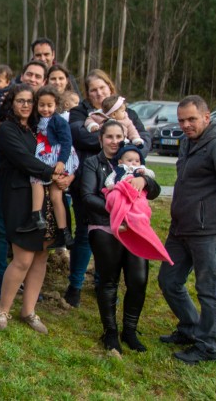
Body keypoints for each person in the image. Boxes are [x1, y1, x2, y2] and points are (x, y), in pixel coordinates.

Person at [158, 95, 216, 365]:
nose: (186, 125)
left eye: (192, 119)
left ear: (207, 117)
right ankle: (190, 327)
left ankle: (209, 346)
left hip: (210, 229)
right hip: (182, 227)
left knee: (209, 289)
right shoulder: (188, 142)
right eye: (182, 120)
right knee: (169, 280)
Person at [0, 84, 74, 334]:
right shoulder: (7, 129)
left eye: (30, 100)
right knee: (23, 258)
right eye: (20, 100)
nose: (26, 105)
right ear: (12, 103)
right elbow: (23, 159)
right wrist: (53, 172)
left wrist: (66, 174)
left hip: (47, 196)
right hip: (20, 197)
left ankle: (28, 310)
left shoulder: (42, 126)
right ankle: (2, 309)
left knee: (41, 256)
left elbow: (63, 146)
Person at [64, 69, 149, 308]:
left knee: (114, 234)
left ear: (110, 88)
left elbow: (144, 139)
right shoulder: (81, 112)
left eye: (102, 88)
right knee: (85, 234)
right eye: (93, 90)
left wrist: (132, 148)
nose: (98, 92)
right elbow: (80, 136)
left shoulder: (128, 112)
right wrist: (118, 140)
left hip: (122, 189)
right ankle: (75, 284)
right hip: (89, 182)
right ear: (87, 94)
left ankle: (103, 282)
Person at [80, 121, 161, 354]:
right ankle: (110, 332)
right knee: (108, 281)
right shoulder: (93, 163)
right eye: (109, 137)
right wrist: (118, 211)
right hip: (105, 227)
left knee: (138, 279)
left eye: (118, 136)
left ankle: (130, 331)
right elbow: (87, 196)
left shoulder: (132, 160)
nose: (114, 141)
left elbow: (153, 191)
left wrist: (144, 180)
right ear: (101, 139)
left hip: (134, 230)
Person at [17, 86, 78, 248]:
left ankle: (63, 231)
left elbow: (66, 142)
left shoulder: (59, 121)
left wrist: (62, 162)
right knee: (45, 188)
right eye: (42, 105)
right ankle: (40, 218)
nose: (45, 109)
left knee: (52, 193)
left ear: (56, 104)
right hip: (45, 154)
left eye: (49, 105)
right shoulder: (36, 120)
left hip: (56, 156)